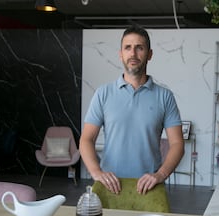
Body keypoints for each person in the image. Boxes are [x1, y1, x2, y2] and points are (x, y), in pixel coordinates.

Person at [79, 25, 184, 195]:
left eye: (139, 48)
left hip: (149, 188)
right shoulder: (103, 93)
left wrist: (160, 174)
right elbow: (86, 139)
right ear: (120, 54)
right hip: (109, 187)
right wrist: (96, 172)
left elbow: (177, 143)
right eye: (128, 48)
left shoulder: (165, 96)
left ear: (149, 54)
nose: (133, 54)